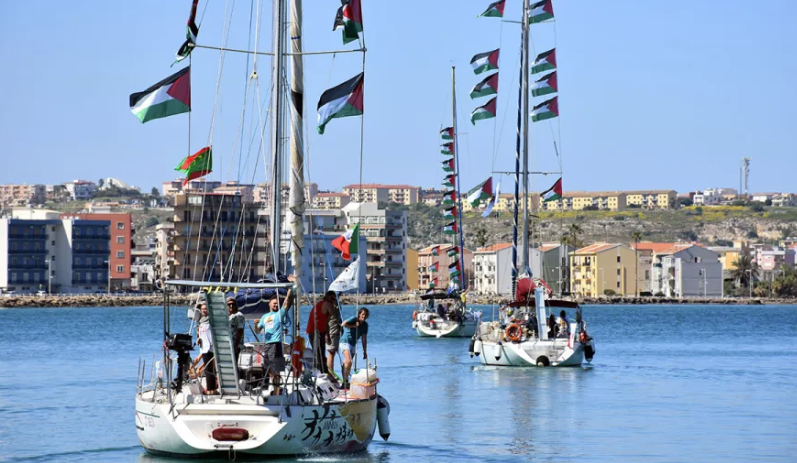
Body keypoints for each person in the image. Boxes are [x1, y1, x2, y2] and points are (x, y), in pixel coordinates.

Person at [254, 289, 293, 395]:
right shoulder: (265, 316)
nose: (276, 304)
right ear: (269, 303)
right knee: (268, 368)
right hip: (267, 344)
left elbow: (287, 302)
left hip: (276, 343)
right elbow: (258, 331)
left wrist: (290, 289)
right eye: (274, 302)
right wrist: (255, 324)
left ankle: (277, 391)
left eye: (277, 303)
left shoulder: (279, 314)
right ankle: (274, 388)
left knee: (276, 369)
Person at [192, 302, 218, 394]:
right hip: (204, 347)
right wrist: (198, 338)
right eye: (203, 309)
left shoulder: (211, 320)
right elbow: (200, 333)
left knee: (210, 368)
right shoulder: (200, 321)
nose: (204, 310)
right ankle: (210, 388)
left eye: (206, 309)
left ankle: (211, 388)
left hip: (211, 347)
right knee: (207, 369)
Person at [341, 308, 369, 389]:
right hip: (345, 341)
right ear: (359, 314)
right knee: (348, 361)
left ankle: (344, 381)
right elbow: (343, 324)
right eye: (363, 314)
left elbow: (364, 339)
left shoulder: (365, 325)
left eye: (366, 315)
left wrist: (365, 351)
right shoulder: (354, 319)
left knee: (348, 363)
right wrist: (354, 326)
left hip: (353, 344)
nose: (364, 316)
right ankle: (346, 381)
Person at [306, 291, 332, 374]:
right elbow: (334, 313)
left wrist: (327, 334)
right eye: (332, 298)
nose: (334, 301)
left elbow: (326, 322)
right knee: (318, 353)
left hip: (321, 331)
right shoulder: (325, 304)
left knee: (321, 352)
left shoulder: (323, 305)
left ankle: (324, 371)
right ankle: (320, 372)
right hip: (315, 331)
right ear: (327, 298)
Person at [325, 292, 343, 382]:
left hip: (336, 330)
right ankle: (330, 374)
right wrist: (326, 334)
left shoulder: (335, 303)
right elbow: (325, 320)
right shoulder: (327, 305)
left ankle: (331, 373)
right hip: (331, 331)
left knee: (333, 352)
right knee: (331, 352)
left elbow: (338, 317)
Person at [227, 297, 245, 365]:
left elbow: (240, 331)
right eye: (229, 304)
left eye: (233, 304)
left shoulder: (238, 315)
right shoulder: (227, 316)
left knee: (233, 364)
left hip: (235, 344)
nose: (231, 306)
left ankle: (237, 376)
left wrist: (235, 346)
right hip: (228, 344)